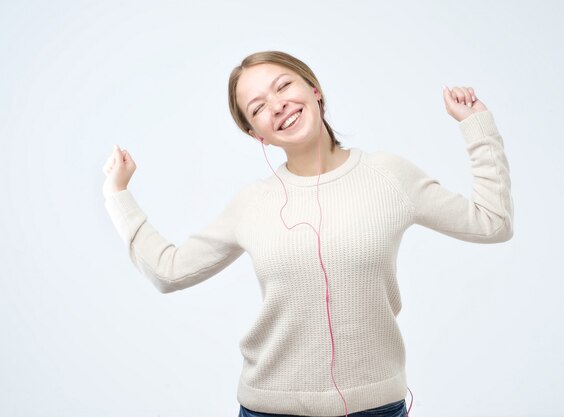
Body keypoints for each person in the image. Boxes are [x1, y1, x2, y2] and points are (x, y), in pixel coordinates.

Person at [102, 50, 514, 417]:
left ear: (314, 89)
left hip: (376, 408)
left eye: (284, 86)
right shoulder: (252, 204)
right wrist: (118, 194)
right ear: (254, 132)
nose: (278, 105)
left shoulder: (389, 176)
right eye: (259, 106)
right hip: (270, 410)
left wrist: (476, 126)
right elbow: (169, 271)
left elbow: (491, 222)